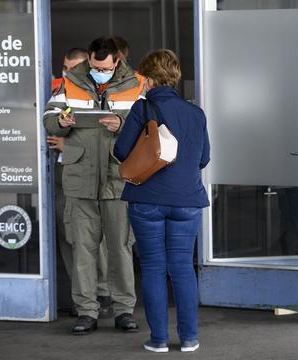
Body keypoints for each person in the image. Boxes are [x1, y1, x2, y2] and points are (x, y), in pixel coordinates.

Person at [43, 36, 144, 335]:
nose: (101, 71)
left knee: (120, 248)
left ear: (117, 61)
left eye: (106, 67)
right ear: (89, 58)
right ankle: (87, 311)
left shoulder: (136, 84)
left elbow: (150, 123)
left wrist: (122, 123)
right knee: (83, 249)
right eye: (96, 66)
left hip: (117, 179)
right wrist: (63, 121)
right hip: (81, 179)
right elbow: (49, 118)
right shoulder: (69, 81)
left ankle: (124, 310)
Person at [113, 49, 210, 353]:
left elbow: (121, 151)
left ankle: (158, 340)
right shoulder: (195, 113)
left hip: (148, 200)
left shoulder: (143, 109)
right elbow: (204, 158)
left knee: (154, 267)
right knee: (182, 267)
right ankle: (190, 338)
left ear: (150, 78)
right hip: (187, 201)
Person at [48, 47, 113, 317]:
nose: (66, 73)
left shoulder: (99, 94)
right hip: (63, 176)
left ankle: (103, 292)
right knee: (68, 237)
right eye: (64, 68)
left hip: (90, 177)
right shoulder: (59, 92)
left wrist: (68, 146)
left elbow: (102, 137)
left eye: (72, 68)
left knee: (95, 239)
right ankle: (82, 295)